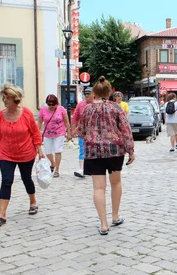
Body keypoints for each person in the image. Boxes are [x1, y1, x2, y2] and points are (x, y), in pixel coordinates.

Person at [76, 76, 135, 235]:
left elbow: (80, 131)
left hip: (94, 152)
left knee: (98, 187)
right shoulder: (116, 108)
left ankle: (103, 224)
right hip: (114, 151)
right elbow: (126, 130)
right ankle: (115, 216)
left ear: (94, 92)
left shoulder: (87, 109)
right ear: (109, 92)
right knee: (116, 183)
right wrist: (131, 150)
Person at [0, 84, 45, 227]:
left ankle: (33, 201)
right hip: (6, 153)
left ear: (15, 99)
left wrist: (40, 151)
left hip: (26, 153)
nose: (5, 100)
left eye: (7, 97)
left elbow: (35, 133)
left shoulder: (26, 113)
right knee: (6, 180)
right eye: (4, 97)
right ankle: (1, 215)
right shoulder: (1, 115)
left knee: (26, 178)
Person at [38, 94, 71, 178]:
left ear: (57, 103)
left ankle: (57, 170)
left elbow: (66, 121)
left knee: (57, 150)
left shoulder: (61, 109)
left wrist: (69, 132)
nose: (51, 106)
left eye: (53, 105)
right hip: (47, 133)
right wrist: (37, 132)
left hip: (60, 133)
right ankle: (53, 164)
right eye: (49, 105)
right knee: (48, 152)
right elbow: (39, 122)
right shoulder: (43, 110)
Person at [72, 87, 94, 178]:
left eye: (88, 93)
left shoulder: (98, 104)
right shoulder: (81, 104)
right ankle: (82, 169)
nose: (86, 95)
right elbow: (75, 117)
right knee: (82, 150)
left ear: (94, 94)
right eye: (85, 93)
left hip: (94, 133)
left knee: (93, 150)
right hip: (82, 132)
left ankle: (93, 168)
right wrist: (73, 129)